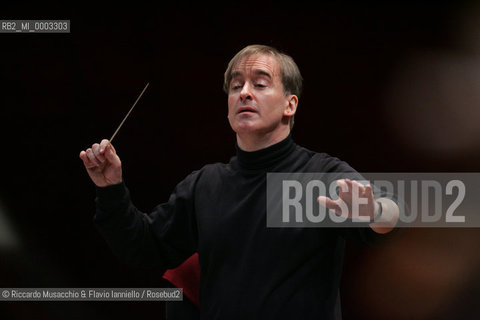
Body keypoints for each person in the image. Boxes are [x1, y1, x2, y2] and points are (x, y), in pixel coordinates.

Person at [79, 44, 399, 319]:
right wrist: (111, 189)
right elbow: (143, 247)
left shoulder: (319, 174)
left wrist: (374, 211)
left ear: (290, 105)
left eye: (260, 84)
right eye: (235, 87)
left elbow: (388, 219)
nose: (244, 92)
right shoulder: (205, 185)